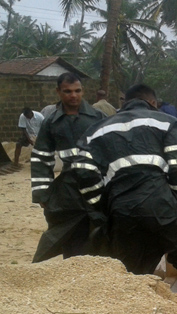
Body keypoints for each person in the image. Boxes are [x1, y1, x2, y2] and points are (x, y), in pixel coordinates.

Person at [72, 83, 177, 306]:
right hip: (163, 206)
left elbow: (84, 173)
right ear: (153, 103)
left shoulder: (96, 130)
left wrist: (101, 207)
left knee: (131, 273)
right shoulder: (166, 122)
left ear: (123, 103)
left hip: (122, 210)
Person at [30, 72, 106, 262]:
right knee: (69, 234)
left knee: (100, 231)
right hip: (68, 188)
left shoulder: (99, 118)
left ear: (83, 91)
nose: (73, 95)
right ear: (58, 92)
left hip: (97, 185)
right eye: (68, 91)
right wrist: (42, 194)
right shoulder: (52, 122)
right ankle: (73, 271)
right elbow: (41, 158)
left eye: (77, 91)